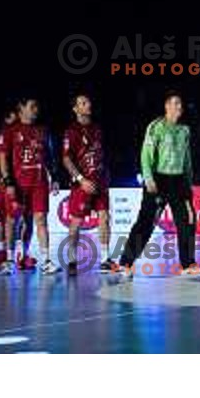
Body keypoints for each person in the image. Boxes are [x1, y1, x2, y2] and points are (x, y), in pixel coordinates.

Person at [117, 90, 197, 275]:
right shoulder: (156, 127)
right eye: (174, 103)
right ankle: (126, 262)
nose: (178, 107)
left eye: (180, 104)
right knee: (146, 222)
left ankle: (188, 264)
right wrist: (148, 178)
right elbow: (146, 155)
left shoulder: (185, 130)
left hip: (179, 181)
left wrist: (189, 181)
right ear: (166, 106)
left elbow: (187, 159)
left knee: (188, 220)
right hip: (158, 179)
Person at [0, 97, 60, 275]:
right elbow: (3, 158)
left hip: (39, 183)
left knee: (40, 220)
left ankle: (46, 260)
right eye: (32, 106)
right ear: (21, 109)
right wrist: (8, 181)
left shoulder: (42, 130)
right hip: (18, 184)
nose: (35, 109)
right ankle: (9, 260)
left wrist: (54, 177)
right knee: (12, 220)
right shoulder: (9, 131)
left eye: (36, 106)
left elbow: (49, 155)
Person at [62, 94, 111, 276]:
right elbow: (66, 159)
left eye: (88, 101)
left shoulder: (97, 128)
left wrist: (106, 173)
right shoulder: (71, 131)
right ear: (75, 109)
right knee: (76, 223)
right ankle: (72, 259)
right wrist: (81, 180)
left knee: (104, 217)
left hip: (100, 182)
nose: (88, 104)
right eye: (83, 103)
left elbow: (101, 153)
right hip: (82, 185)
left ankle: (105, 259)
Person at [0, 106, 24, 269]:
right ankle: (2, 252)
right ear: (7, 119)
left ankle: (22, 254)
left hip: (19, 184)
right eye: (13, 119)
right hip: (3, 187)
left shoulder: (23, 135)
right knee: (1, 221)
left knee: (20, 220)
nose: (16, 122)